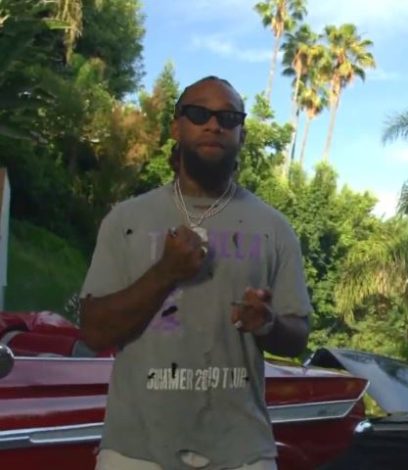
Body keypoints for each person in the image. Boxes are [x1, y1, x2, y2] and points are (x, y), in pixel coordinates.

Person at [79, 76, 312, 470]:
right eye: (199, 114)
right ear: (176, 126)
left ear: (242, 133)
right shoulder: (126, 219)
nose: (214, 124)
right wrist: (165, 272)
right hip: (135, 451)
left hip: (242, 452)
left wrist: (268, 324)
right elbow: (93, 331)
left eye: (228, 117)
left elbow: (299, 335)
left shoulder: (274, 228)